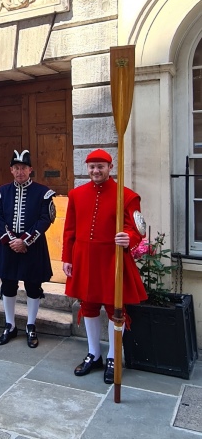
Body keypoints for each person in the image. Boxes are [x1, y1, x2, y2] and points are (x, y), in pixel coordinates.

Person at [62, 149, 147, 384]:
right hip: (84, 259)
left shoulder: (127, 196)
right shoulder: (76, 195)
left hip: (112, 260)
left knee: (114, 309)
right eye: (92, 167)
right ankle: (94, 353)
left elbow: (137, 228)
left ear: (110, 167)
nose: (95, 171)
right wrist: (67, 258)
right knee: (87, 305)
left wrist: (128, 238)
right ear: (86, 168)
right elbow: (69, 230)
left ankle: (112, 356)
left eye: (100, 166)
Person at [0, 149, 56, 348]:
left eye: (24, 168)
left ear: (31, 170)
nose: (20, 172)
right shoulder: (2, 191)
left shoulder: (43, 193)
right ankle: (10, 325)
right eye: (16, 168)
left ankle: (30, 325)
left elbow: (46, 219)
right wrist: (11, 240)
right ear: (11, 170)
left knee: (33, 287)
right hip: (8, 246)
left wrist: (25, 241)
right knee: (8, 285)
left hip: (33, 247)